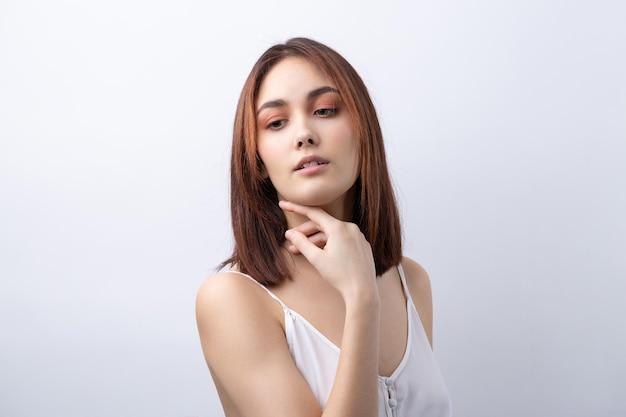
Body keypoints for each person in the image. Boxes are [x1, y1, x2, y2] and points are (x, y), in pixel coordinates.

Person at [196, 37, 452, 417]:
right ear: (258, 160)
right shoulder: (232, 299)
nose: (303, 134)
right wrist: (362, 297)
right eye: (277, 122)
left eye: (326, 110)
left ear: (363, 130)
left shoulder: (411, 281)